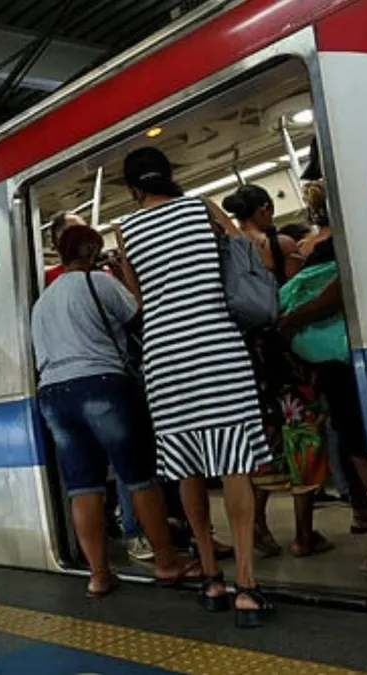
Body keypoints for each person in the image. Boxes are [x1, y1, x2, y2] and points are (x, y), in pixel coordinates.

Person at [115, 147, 274, 627]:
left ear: (132, 188)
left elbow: (137, 298)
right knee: (234, 463)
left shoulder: (125, 231)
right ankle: (247, 586)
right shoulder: (202, 207)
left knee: (186, 464)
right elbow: (249, 253)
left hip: (165, 357)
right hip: (218, 345)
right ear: (171, 175)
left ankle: (210, 578)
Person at [33, 226, 201, 598]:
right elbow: (140, 320)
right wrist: (128, 273)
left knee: (83, 485)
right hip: (101, 383)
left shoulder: (42, 302)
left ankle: (98, 574)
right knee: (139, 476)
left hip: (53, 395)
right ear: (91, 249)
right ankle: (166, 561)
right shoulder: (99, 282)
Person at [280, 179, 367, 575]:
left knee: (357, 443)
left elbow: (333, 292)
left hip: (335, 361)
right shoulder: (351, 238)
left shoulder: (313, 248)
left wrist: (291, 319)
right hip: (359, 348)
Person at [224, 185, 331, 558]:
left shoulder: (227, 252)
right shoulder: (280, 243)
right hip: (287, 353)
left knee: (265, 442)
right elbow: (298, 294)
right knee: (304, 436)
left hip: (249, 358)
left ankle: (259, 527)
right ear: (265, 209)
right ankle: (303, 536)